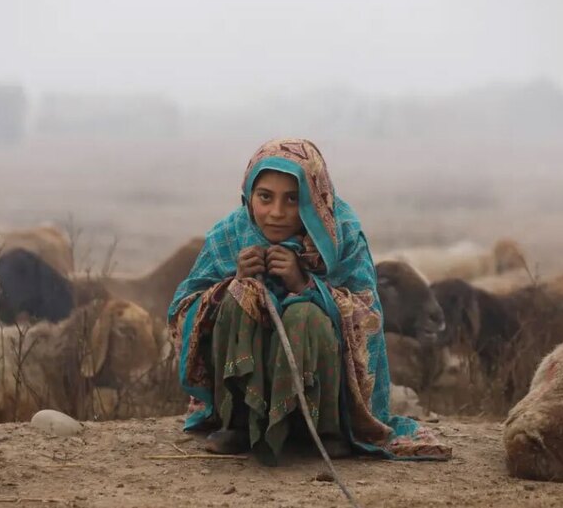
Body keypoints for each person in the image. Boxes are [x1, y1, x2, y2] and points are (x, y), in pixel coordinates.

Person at [168, 138, 449, 466]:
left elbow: (367, 314)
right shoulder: (228, 235)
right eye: (265, 198)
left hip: (323, 392)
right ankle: (240, 422)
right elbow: (184, 309)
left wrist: (304, 284)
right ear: (249, 196)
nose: (276, 213)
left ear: (313, 196)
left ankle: (324, 429)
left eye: (292, 199)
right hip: (243, 396)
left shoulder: (342, 235)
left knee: (304, 314)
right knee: (237, 299)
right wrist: (234, 282)